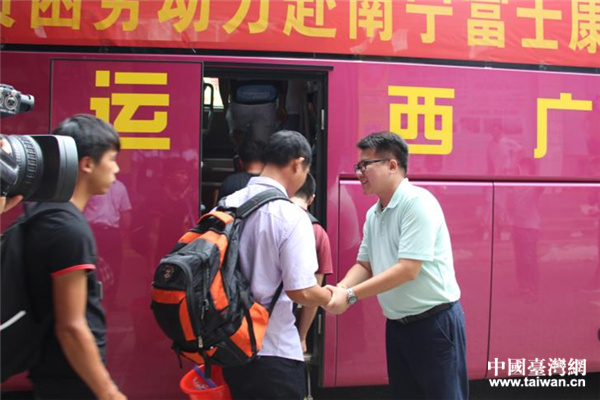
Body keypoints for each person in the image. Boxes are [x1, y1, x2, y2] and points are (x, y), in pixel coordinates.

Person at [325, 132, 468, 400]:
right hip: (398, 326)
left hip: (434, 323)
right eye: (358, 166)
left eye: (366, 165)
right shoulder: (374, 213)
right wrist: (340, 289)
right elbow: (365, 264)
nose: (359, 173)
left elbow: (408, 269)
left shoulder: (417, 203)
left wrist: (351, 295)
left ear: (392, 165)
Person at [219, 130, 333, 400]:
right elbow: (300, 291)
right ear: (297, 163)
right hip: (274, 354)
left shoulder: (227, 204)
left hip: (231, 347)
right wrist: (332, 297)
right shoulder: (291, 215)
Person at [23, 114, 126, 400]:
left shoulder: (43, 212)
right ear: (87, 164)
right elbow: (71, 327)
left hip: (54, 372)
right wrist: (109, 393)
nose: (116, 169)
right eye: (112, 159)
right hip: (72, 379)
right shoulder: (68, 229)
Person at [290, 173, 333, 353]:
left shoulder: (266, 218)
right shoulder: (318, 233)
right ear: (311, 199)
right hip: (284, 329)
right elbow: (312, 295)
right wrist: (301, 337)